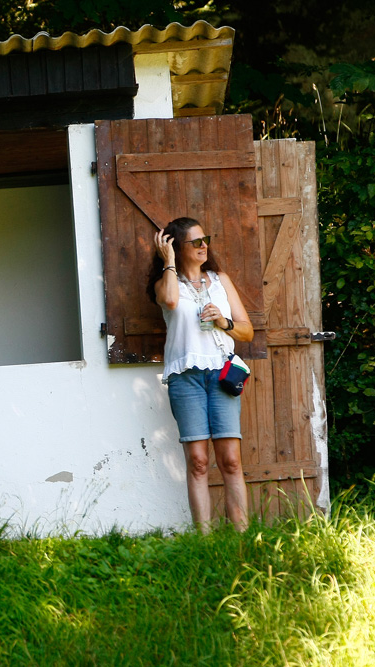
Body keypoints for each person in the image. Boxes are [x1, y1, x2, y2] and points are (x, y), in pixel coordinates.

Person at [148, 217, 255, 533]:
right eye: (194, 241)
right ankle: (204, 541)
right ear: (176, 248)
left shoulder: (220, 280)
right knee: (197, 461)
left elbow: (247, 331)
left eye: (205, 239)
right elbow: (169, 300)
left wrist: (224, 322)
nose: (203, 245)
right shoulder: (166, 284)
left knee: (231, 461)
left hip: (221, 375)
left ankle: (241, 537)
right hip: (186, 378)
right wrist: (168, 262)